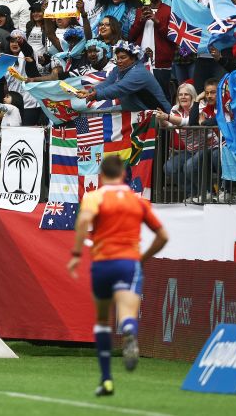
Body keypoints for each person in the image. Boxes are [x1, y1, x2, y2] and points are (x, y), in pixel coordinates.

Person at [67, 154, 169, 397]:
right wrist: (142, 259)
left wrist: (76, 253)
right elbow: (163, 236)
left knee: (103, 321)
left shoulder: (95, 196)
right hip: (128, 263)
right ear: (124, 175)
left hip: (102, 264)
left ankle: (106, 380)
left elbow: (83, 221)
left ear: (101, 175)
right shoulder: (138, 201)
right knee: (126, 314)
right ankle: (129, 330)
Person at [78, 41, 170, 111]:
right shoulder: (118, 69)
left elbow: (118, 88)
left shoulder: (139, 73)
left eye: (123, 57)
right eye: (117, 58)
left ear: (133, 58)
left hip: (159, 117)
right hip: (140, 117)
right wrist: (89, 91)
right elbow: (107, 84)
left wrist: (96, 95)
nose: (119, 61)